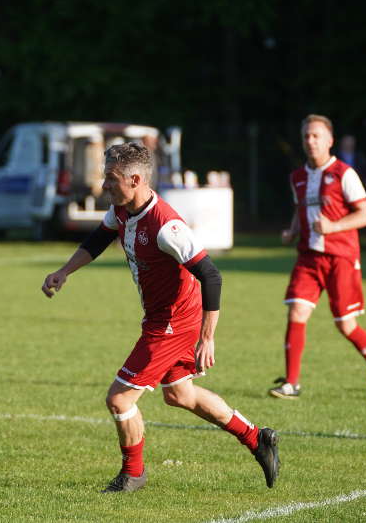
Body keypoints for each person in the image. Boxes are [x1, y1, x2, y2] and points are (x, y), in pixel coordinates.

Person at [41, 143, 280, 493]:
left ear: (135, 179)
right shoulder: (122, 210)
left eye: (110, 179)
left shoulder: (166, 226)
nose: (104, 185)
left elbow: (211, 275)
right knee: (180, 395)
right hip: (159, 318)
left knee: (119, 399)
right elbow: (98, 239)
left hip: (172, 324)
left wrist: (207, 337)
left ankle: (133, 474)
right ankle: (257, 438)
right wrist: (65, 272)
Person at [269, 114, 366, 400]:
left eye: (316, 136)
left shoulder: (344, 173)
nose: (310, 141)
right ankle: (291, 383)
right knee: (297, 312)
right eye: (306, 136)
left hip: (340, 257)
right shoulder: (297, 177)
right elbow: (301, 209)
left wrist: (333, 227)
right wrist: (292, 230)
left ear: (330, 140)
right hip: (309, 257)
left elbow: (365, 215)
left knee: (345, 324)